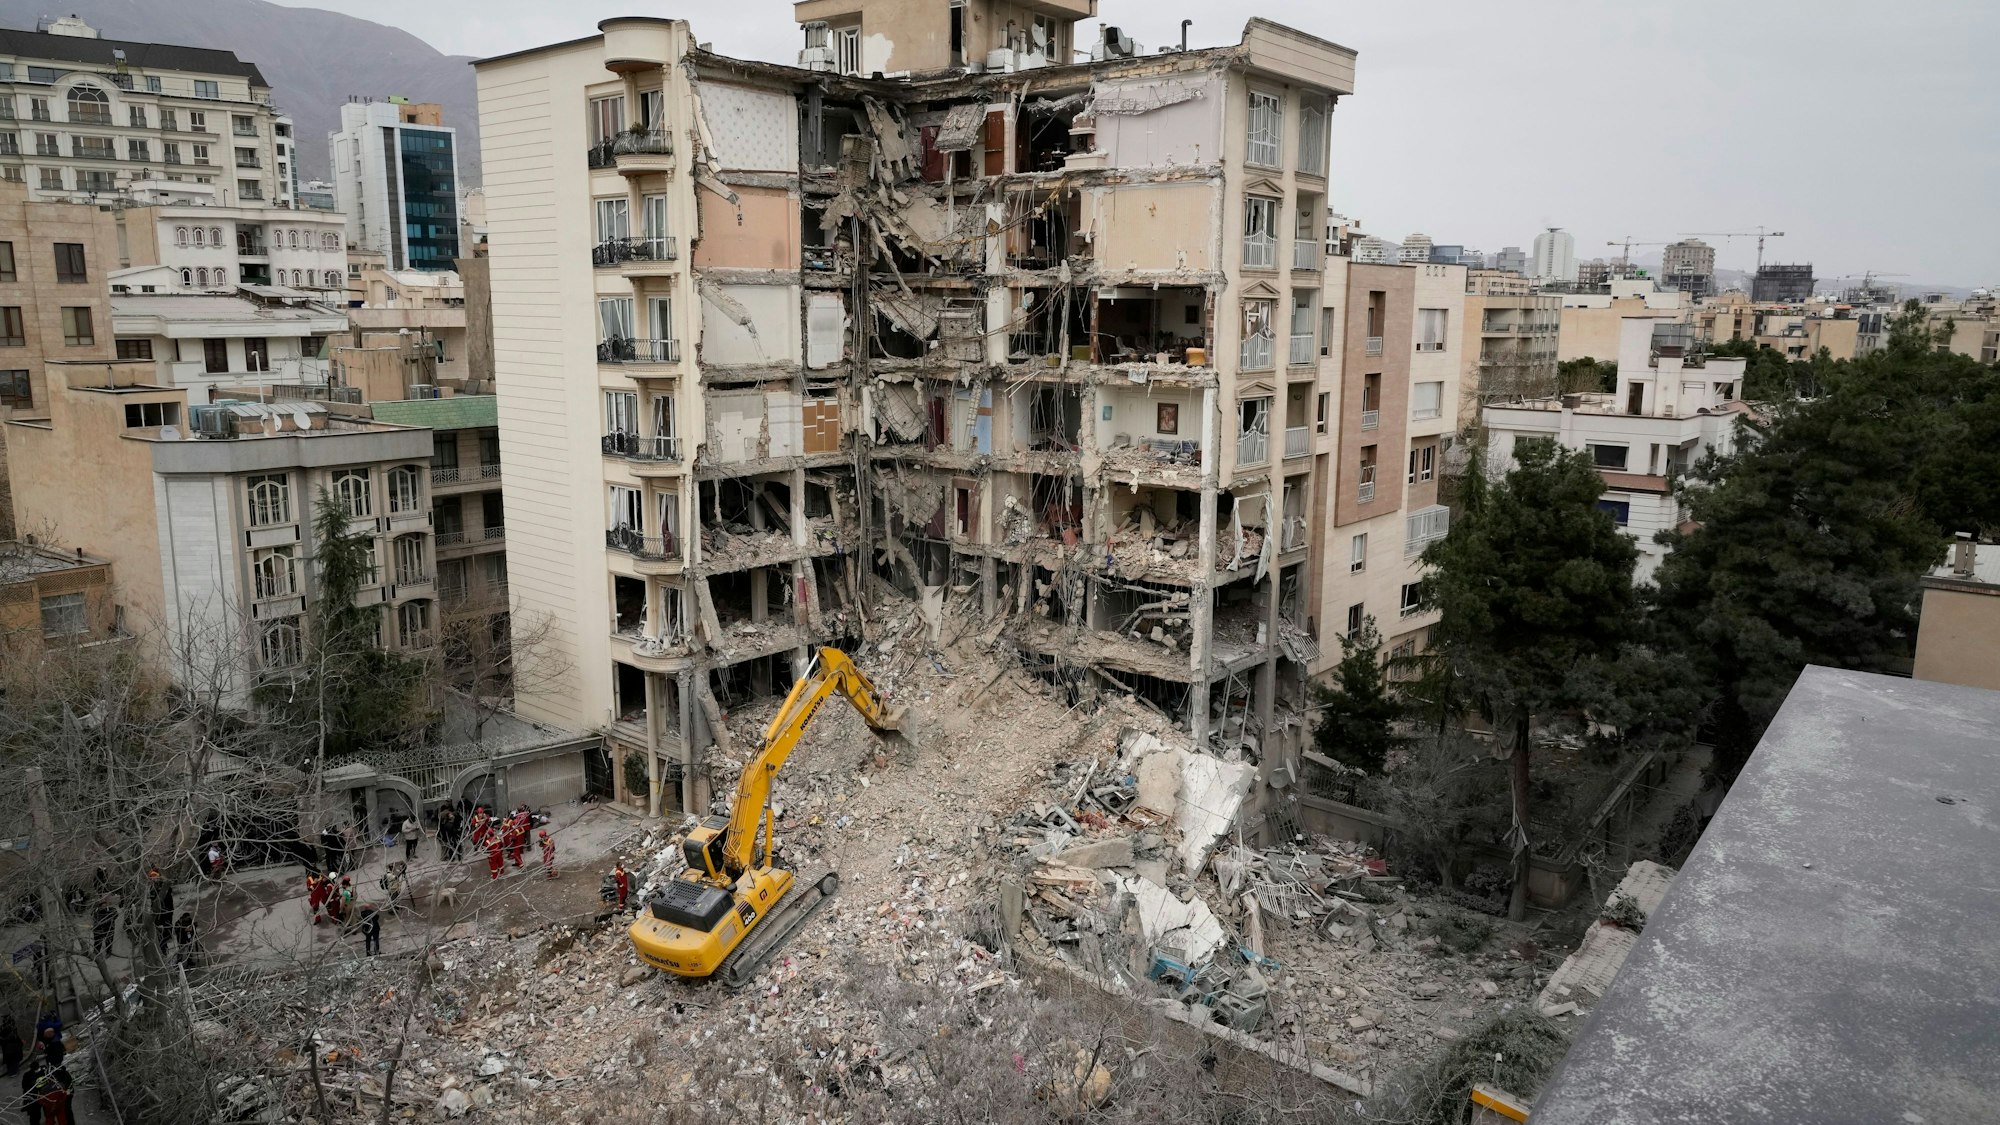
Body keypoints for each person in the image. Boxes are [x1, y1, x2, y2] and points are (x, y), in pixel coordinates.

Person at [147, 868, 174, 954]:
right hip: (157, 912)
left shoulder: (163, 885)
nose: (153, 878)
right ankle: (163, 949)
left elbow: (168, 892)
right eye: (151, 877)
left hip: (166, 910)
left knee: (166, 930)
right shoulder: (152, 888)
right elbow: (151, 899)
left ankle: (165, 947)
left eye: (154, 876)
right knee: (159, 932)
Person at [90, 892, 117, 959]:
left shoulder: (111, 910)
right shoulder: (96, 910)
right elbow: (92, 916)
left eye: (104, 903)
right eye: (101, 903)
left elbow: (115, 915)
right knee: (97, 942)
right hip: (98, 929)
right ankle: (96, 953)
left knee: (109, 941)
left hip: (108, 928)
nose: (103, 905)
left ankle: (108, 952)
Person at [17, 1059, 42, 1125]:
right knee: (36, 1113)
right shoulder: (40, 1074)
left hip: (29, 1096)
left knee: (33, 1114)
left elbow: (23, 1085)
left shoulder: (26, 1074)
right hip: (36, 1096)